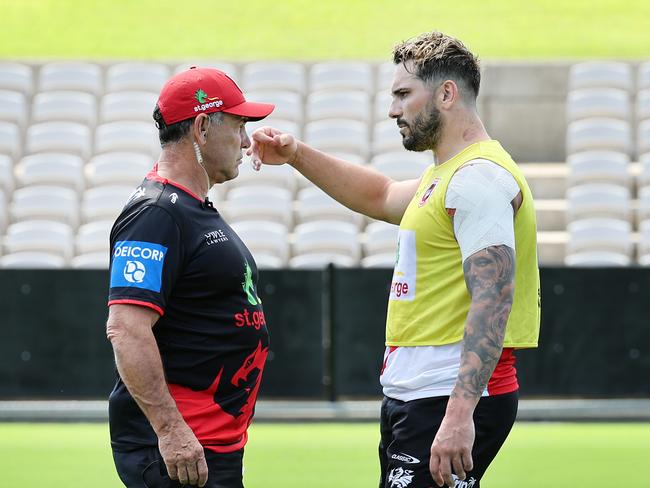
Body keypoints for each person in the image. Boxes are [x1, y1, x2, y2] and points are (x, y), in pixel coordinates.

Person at [248, 31, 540, 488]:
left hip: (446, 396)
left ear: (447, 93)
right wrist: (297, 154)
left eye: (404, 94)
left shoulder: (477, 178)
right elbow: (380, 195)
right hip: (423, 395)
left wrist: (460, 414)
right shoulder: (447, 175)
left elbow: (493, 298)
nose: (392, 109)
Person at [105, 67, 275, 488]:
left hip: (207, 447)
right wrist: (171, 431)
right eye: (238, 125)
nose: (246, 140)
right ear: (201, 127)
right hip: (180, 453)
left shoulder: (185, 208)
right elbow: (126, 329)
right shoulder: (157, 213)